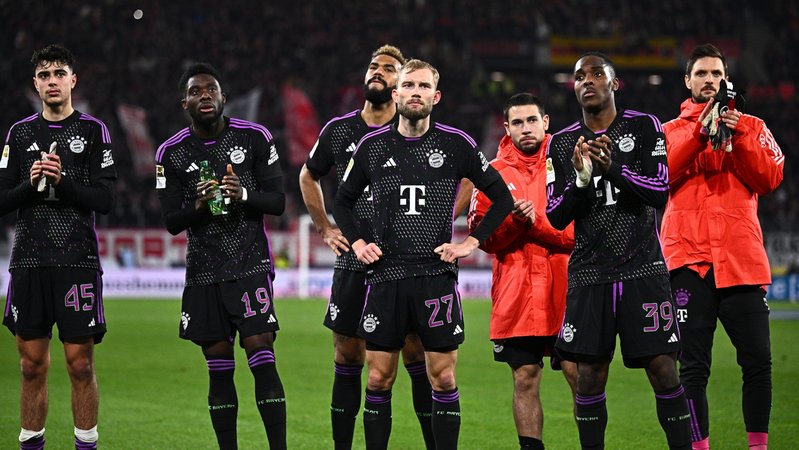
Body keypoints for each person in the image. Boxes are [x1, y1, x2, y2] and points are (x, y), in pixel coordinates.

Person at [333, 59, 513, 450]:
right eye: (408, 85)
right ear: (395, 95)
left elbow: (502, 197)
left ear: (436, 96)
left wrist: (472, 241)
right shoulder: (372, 146)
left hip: (436, 276)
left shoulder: (456, 144)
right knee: (378, 379)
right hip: (385, 276)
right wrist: (359, 242)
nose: (416, 92)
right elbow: (342, 202)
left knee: (443, 378)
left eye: (423, 86)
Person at [545, 52, 692, 449]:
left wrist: (613, 169)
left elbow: (660, 191)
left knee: (665, 370)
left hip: (643, 269)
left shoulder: (644, 128)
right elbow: (555, 217)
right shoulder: (560, 145)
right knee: (589, 376)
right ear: (573, 87)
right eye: (579, 76)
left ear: (614, 83)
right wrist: (579, 182)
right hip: (590, 275)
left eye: (597, 74)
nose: (587, 81)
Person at [299, 45, 435, 450]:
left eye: (389, 69)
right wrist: (324, 227)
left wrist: (442, 222)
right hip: (355, 262)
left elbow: (459, 175)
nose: (378, 72)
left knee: (415, 356)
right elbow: (309, 175)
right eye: (374, 66)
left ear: (400, 85)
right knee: (347, 356)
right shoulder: (339, 130)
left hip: (405, 260)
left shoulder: (416, 128)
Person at [155, 63, 286, 450]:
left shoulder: (256, 138)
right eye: (196, 92)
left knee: (262, 354)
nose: (205, 96)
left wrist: (242, 193)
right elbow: (171, 222)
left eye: (211, 89)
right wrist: (198, 205)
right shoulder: (171, 153)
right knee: (219, 370)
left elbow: (278, 202)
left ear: (223, 98)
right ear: (185, 103)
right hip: (204, 272)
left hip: (249, 264)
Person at [660, 43, 784, 450]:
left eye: (716, 74)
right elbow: (663, 178)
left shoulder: (753, 125)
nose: (709, 80)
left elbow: (768, 179)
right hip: (689, 262)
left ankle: (758, 447)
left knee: (758, 364)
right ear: (687, 81)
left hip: (741, 261)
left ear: (726, 80)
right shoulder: (670, 131)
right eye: (701, 74)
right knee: (692, 369)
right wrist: (701, 134)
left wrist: (740, 133)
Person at [0, 44, 116, 450]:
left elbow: (106, 200)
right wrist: (29, 184)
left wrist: (63, 181)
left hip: (77, 262)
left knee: (80, 364)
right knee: (31, 366)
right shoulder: (19, 133)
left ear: (72, 80)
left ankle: (86, 445)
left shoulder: (93, 131)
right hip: (30, 261)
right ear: (35, 84)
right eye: (44, 75)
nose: (52, 81)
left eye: (59, 73)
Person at [467, 93, 578, 450]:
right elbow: (483, 238)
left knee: (581, 377)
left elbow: (581, 233)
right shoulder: (492, 172)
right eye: (517, 122)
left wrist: (535, 226)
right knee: (525, 379)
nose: (525, 129)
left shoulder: (570, 163)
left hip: (567, 290)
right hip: (517, 295)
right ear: (507, 127)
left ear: (546, 122)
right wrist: (514, 223)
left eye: (532, 120)